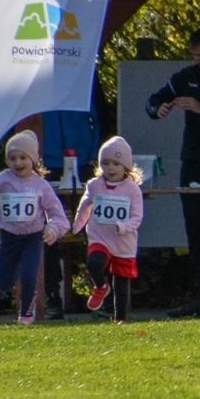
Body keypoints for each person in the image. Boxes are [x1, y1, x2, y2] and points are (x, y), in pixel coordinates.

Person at [145, 28, 200, 317]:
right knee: (196, 230)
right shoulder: (186, 76)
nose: (199, 60)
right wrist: (160, 109)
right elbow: (152, 101)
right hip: (194, 161)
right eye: (194, 56)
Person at [0, 130, 70, 324]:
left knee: (29, 276)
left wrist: (53, 229)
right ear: (7, 161)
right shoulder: (0, 181)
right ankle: (13, 279)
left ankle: (26, 314)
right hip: (8, 236)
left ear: (33, 160)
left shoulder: (41, 185)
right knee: (3, 282)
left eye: (23, 158)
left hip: (33, 237)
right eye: (12, 158)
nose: (18, 163)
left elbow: (57, 213)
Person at [73, 135, 144, 323]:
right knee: (94, 262)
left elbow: (136, 217)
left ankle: (120, 318)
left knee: (121, 281)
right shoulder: (94, 185)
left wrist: (124, 227)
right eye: (105, 163)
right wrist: (78, 223)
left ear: (126, 167)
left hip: (123, 240)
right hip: (100, 236)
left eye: (116, 163)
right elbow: (85, 204)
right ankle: (100, 286)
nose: (110, 168)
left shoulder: (132, 190)